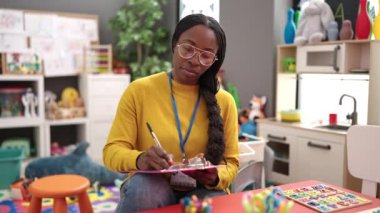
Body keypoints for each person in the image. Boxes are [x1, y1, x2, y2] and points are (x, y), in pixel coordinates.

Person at [103, 13, 239, 212]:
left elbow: (232, 163)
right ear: (174, 44)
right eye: (188, 48)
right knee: (143, 193)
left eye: (206, 55)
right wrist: (140, 159)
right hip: (152, 184)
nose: (195, 60)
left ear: (214, 60)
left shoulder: (225, 101)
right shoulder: (139, 91)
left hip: (203, 189)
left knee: (210, 206)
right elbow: (112, 152)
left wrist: (215, 176)